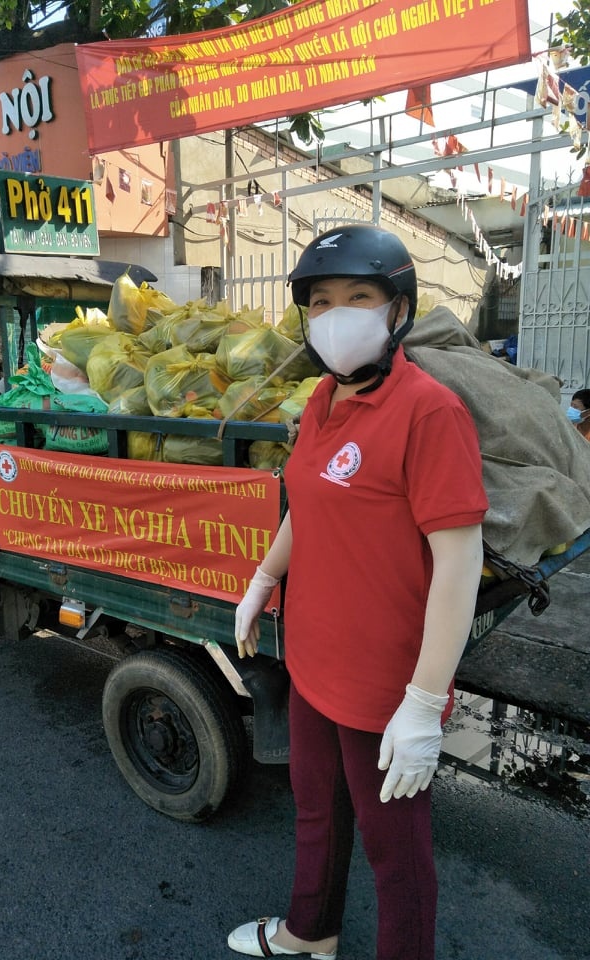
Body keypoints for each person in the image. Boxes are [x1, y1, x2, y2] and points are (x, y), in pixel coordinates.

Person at [227, 225, 488, 960]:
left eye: (358, 297)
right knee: (316, 811)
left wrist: (425, 701)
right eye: (320, 301)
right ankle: (312, 932)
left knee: (396, 857)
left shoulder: (430, 412)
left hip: (385, 686)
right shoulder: (323, 399)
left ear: (397, 310)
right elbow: (306, 503)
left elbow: (459, 566)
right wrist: (266, 577)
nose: (336, 315)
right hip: (313, 659)